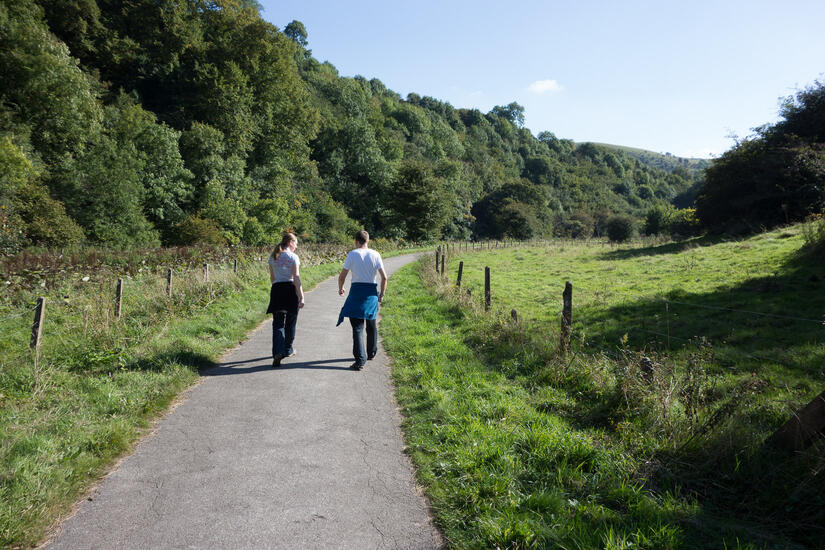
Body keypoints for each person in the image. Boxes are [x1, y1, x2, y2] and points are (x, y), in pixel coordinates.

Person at [336, 230, 387, 370]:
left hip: (356, 292)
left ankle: (360, 360)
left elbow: (342, 276)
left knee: (357, 328)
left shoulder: (352, 254)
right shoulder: (375, 254)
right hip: (371, 293)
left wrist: (341, 288)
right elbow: (384, 278)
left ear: (356, 241)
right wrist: (381, 294)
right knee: (371, 324)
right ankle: (371, 352)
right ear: (367, 241)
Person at [266, 232, 304, 367]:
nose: (296, 247)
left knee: (278, 323)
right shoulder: (293, 257)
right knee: (290, 322)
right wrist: (301, 296)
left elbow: (272, 277)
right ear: (290, 243)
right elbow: (296, 278)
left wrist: (276, 287)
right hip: (290, 290)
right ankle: (288, 350)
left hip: (277, 289)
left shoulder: (273, 256)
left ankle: (277, 351)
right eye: (296, 244)